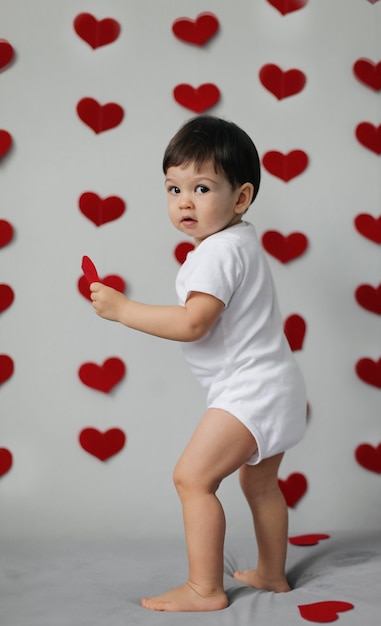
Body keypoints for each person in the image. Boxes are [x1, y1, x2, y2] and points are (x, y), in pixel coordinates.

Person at [89, 115, 307, 612]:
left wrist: (124, 311)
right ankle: (272, 574)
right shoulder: (242, 240)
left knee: (192, 478)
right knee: (261, 482)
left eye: (202, 187)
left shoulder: (215, 254)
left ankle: (205, 588)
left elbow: (194, 323)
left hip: (250, 390)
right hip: (280, 384)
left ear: (242, 197)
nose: (184, 201)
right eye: (173, 187)